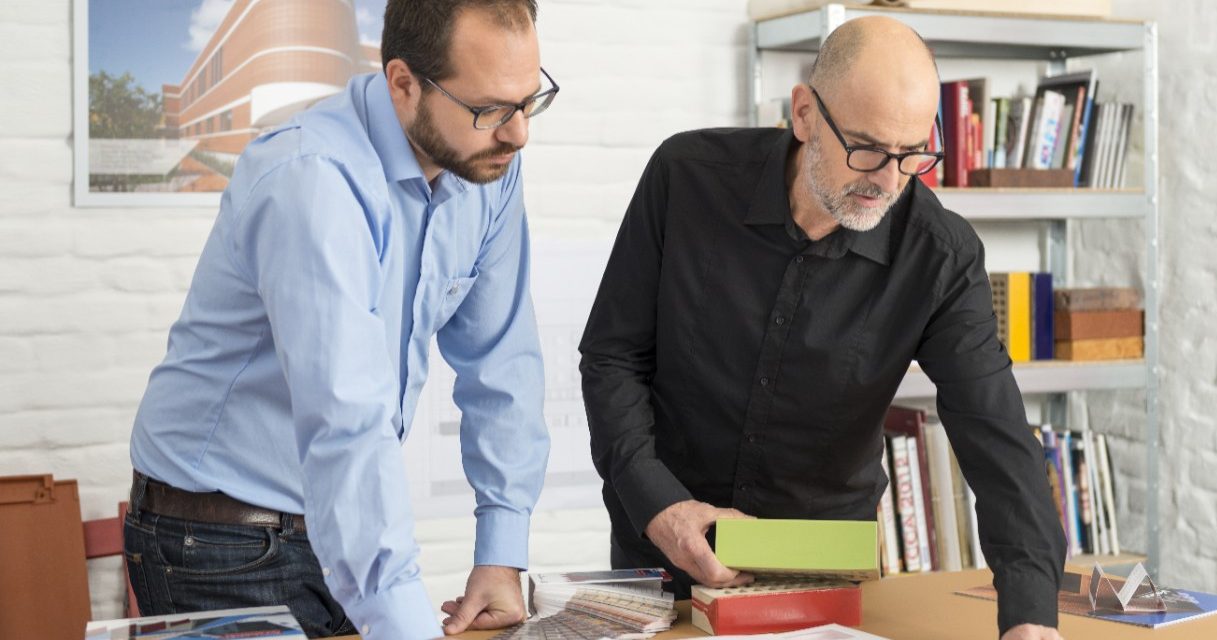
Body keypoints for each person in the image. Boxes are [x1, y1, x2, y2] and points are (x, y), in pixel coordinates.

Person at [579, 15, 1066, 640]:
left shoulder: (939, 255)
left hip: (822, 580)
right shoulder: (686, 176)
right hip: (663, 552)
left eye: (913, 153)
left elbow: (997, 440)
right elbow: (612, 356)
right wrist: (658, 505)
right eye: (866, 148)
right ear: (805, 114)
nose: (888, 181)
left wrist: (1029, 617)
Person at [125, 1, 555, 638]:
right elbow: (346, 419)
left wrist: (501, 550)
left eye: (530, 101)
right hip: (217, 538)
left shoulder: (487, 170)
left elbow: (502, 364)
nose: (518, 134)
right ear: (403, 82)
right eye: (490, 109)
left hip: (339, 520)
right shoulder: (313, 177)